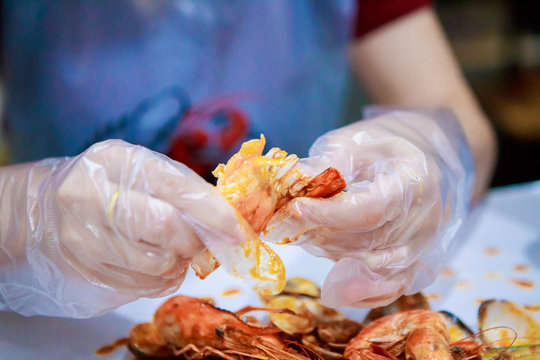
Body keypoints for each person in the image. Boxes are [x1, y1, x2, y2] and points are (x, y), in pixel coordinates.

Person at [0, 0, 496, 318]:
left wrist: (432, 153)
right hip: (58, 320)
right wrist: (24, 213)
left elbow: (467, 127)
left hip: (282, 293)